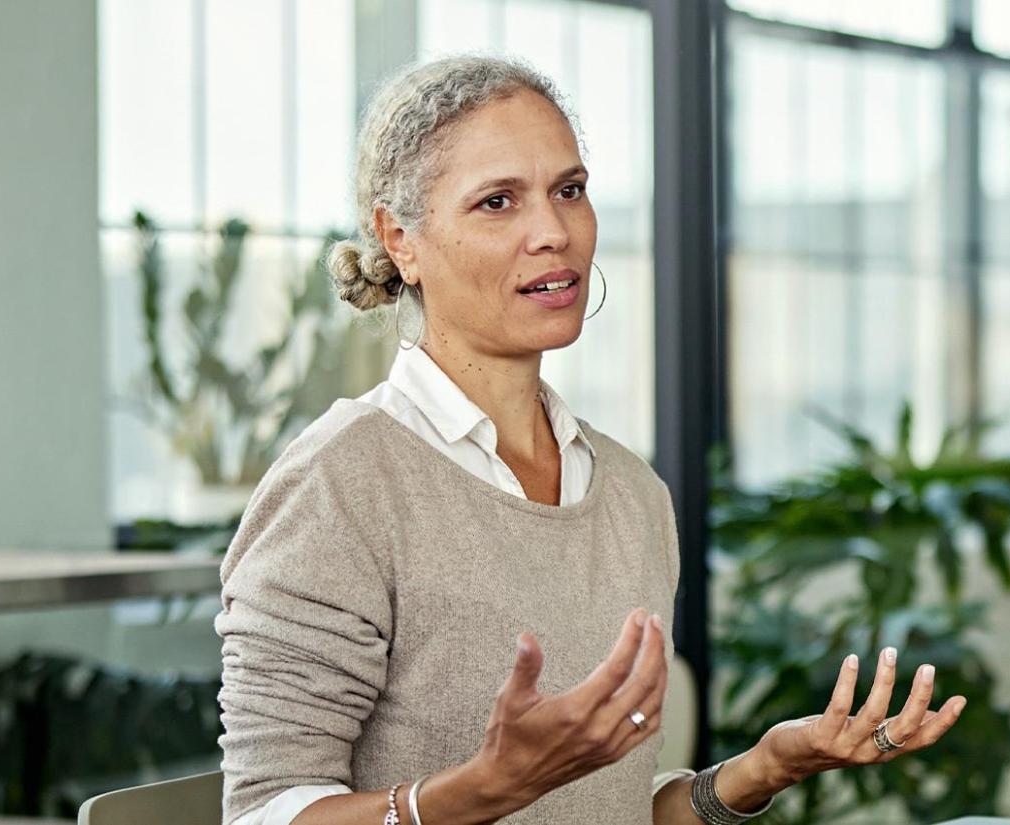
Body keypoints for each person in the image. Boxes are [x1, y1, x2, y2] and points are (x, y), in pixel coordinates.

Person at [217, 56, 966, 825]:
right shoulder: (340, 482)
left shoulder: (632, 493)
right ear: (399, 239)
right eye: (498, 201)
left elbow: (607, 808)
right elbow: (263, 815)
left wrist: (762, 768)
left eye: (568, 190)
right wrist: (481, 790)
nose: (554, 232)